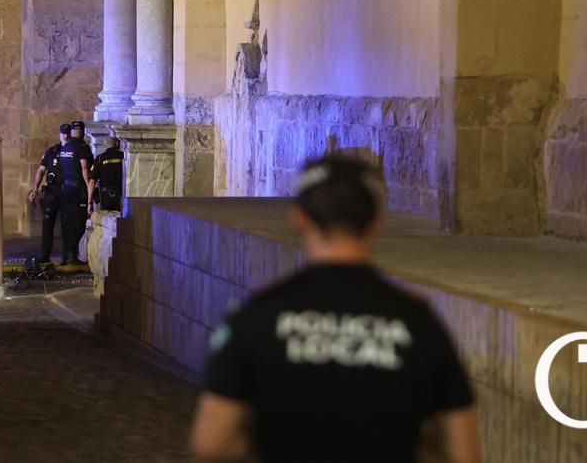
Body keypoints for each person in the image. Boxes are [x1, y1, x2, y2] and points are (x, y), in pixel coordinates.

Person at [190, 155, 480, 463]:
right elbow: (464, 453)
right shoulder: (417, 320)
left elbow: (210, 444)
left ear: (300, 218)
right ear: (375, 222)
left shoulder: (255, 316)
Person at [27, 123, 69, 263]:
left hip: (67, 192)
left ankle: (67, 256)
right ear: (60, 134)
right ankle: (45, 255)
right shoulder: (52, 151)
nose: (66, 135)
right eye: (63, 132)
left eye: (68, 132)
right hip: (52, 191)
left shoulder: (73, 151)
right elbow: (41, 170)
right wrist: (35, 188)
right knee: (47, 224)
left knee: (67, 225)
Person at [56, 123, 93, 265]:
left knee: (67, 223)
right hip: (78, 190)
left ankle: (67, 255)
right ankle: (72, 256)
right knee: (77, 223)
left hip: (66, 189)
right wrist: (89, 184)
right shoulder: (81, 147)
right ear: (82, 132)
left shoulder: (65, 147)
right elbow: (84, 168)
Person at [91, 136, 124, 212]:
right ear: (117, 143)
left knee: (106, 218)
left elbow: (92, 182)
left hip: (105, 196)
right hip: (121, 194)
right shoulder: (123, 156)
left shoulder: (99, 158)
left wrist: (89, 201)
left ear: (105, 144)